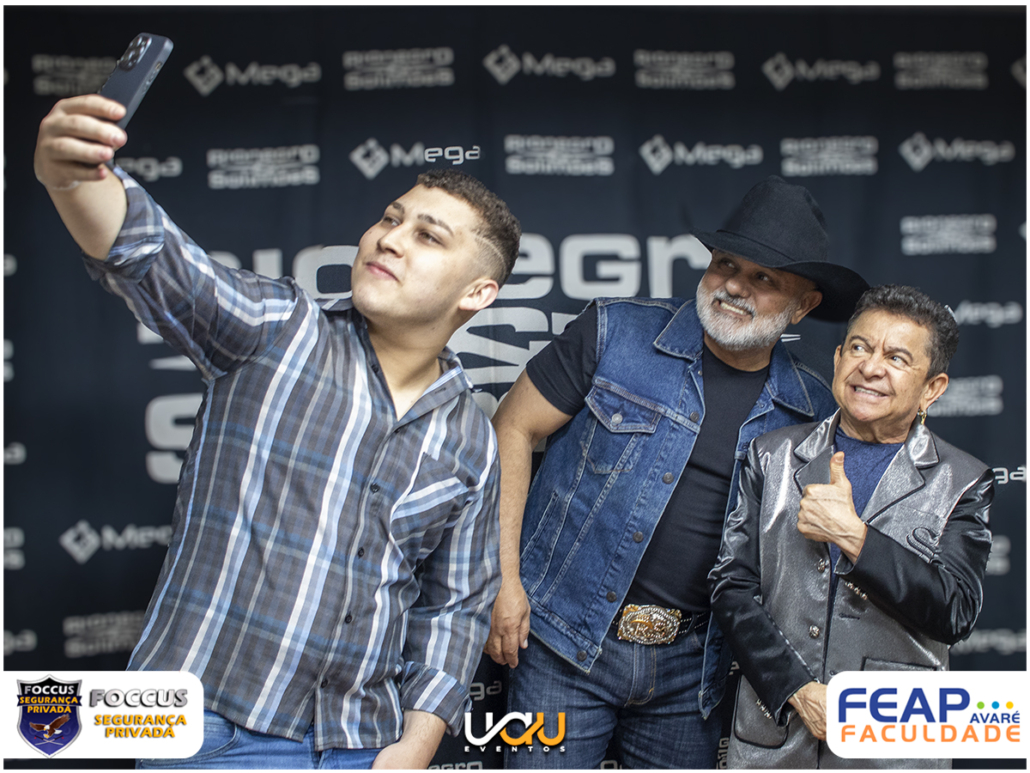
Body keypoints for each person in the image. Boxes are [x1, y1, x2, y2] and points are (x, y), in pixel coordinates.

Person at [33, 94, 521, 769]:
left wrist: (414, 747)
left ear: (478, 294)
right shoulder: (278, 332)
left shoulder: (472, 436)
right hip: (203, 730)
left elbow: (454, 608)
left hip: (360, 743)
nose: (390, 238)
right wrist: (72, 177)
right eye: (390, 218)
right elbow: (154, 257)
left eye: (428, 236)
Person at [486, 176, 869, 768]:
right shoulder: (614, 331)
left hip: (694, 668)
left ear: (805, 305)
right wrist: (504, 582)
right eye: (725, 264)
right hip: (561, 642)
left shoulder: (812, 406)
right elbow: (512, 428)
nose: (734, 286)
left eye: (764, 279)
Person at [709, 285, 994, 769]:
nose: (872, 367)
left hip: (893, 746)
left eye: (897, 358)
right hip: (774, 737)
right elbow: (731, 585)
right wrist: (796, 689)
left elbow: (954, 611)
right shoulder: (772, 455)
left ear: (932, 388)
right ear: (839, 358)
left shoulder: (962, 480)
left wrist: (854, 537)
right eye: (860, 348)